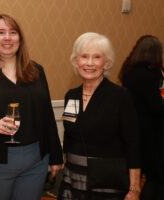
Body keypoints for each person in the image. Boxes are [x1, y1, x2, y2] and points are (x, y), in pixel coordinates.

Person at [0, 14, 63, 200]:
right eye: (1, 32)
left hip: (35, 163)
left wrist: (56, 156)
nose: (7, 37)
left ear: (20, 39)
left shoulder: (36, 71)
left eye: (13, 32)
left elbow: (47, 116)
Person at [58, 32, 141, 200]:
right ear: (76, 61)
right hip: (73, 177)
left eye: (96, 57)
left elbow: (134, 145)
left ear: (106, 63)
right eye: (84, 56)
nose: (89, 63)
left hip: (106, 182)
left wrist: (134, 188)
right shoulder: (71, 95)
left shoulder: (120, 96)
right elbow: (69, 136)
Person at [119, 35, 164, 200]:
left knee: (135, 173)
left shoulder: (127, 71)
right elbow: (157, 107)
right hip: (149, 131)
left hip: (130, 128)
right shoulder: (151, 76)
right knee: (155, 176)